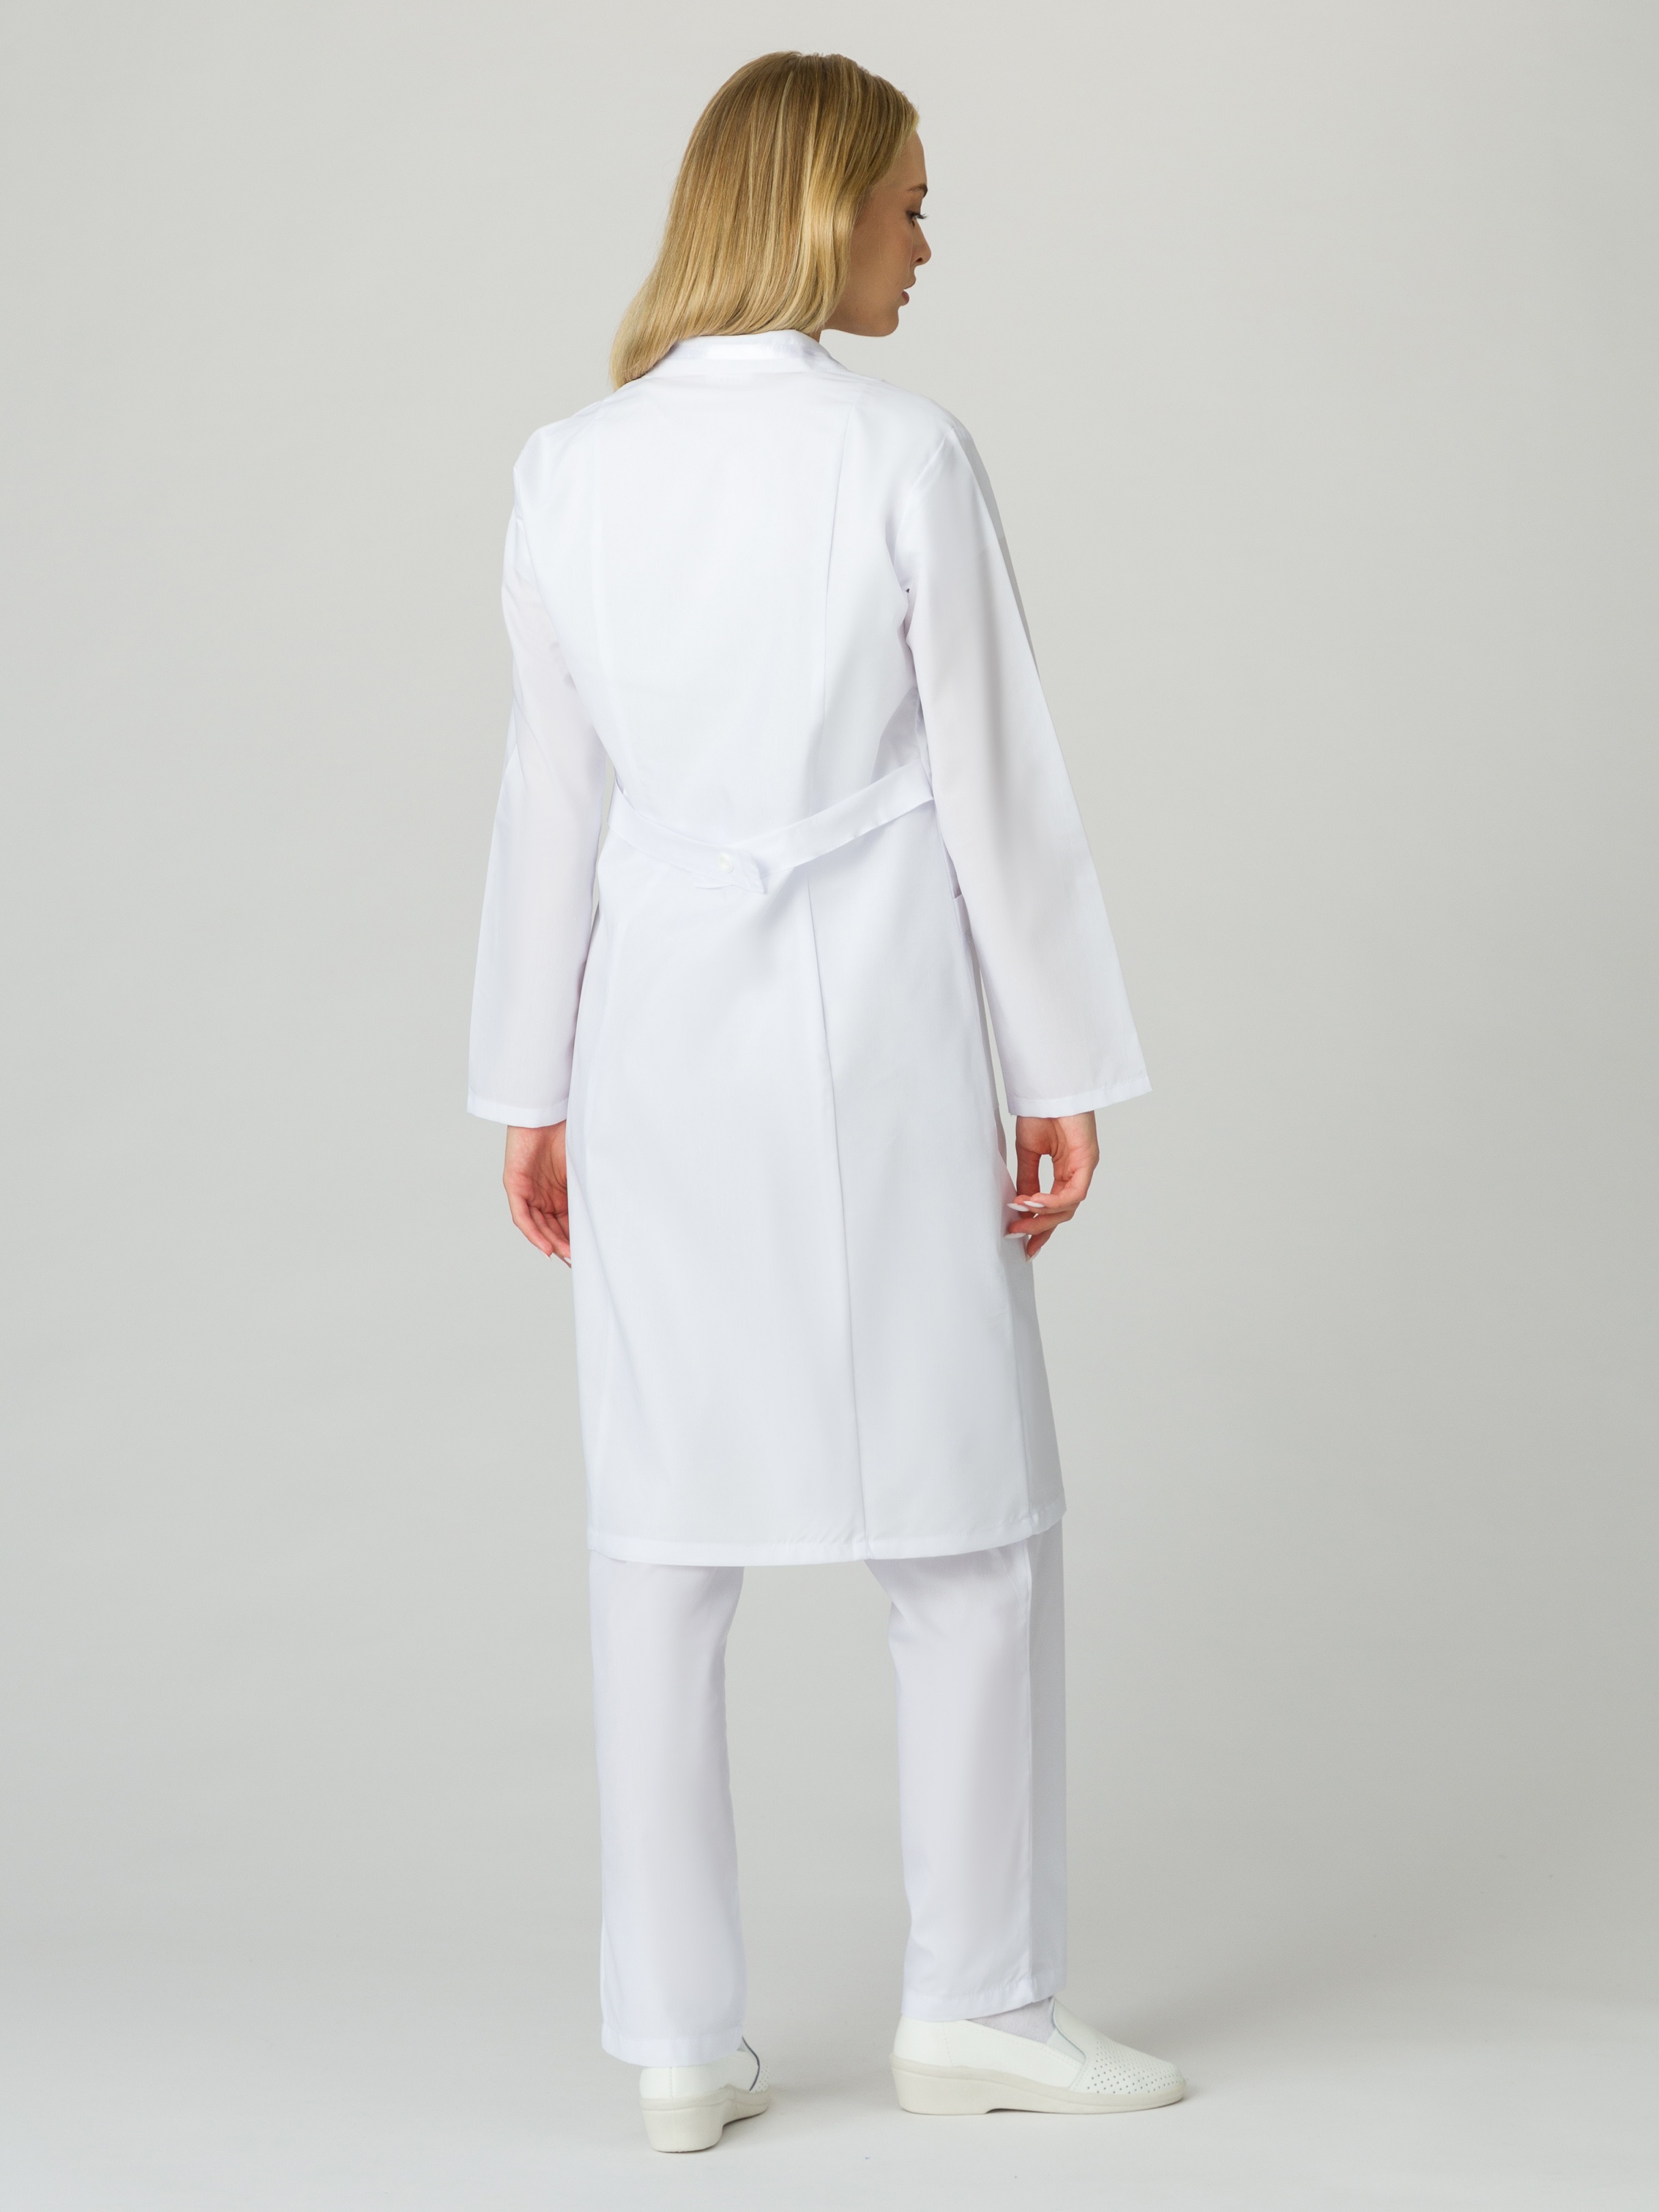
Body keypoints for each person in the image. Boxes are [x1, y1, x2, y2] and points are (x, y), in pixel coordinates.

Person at [468, 49, 1183, 2153]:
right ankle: (982, 2004)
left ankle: (676, 2045)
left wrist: (530, 1081)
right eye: (908, 205)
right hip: (879, 1022)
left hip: (654, 1032)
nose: (927, 245)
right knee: (965, 1525)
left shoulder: (567, 469)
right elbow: (996, 776)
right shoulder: (902, 452)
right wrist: (1058, 1064)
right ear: (819, 209)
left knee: (660, 1540)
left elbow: (550, 800)